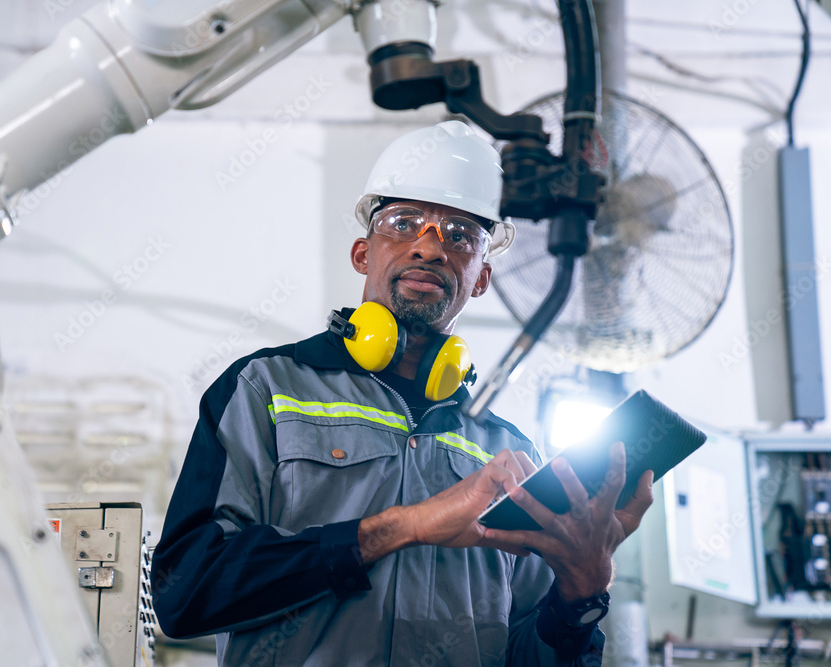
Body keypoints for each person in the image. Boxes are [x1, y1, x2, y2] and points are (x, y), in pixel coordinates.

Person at [151, 120, 654, 666]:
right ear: (362, 253)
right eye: (405, 222)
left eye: (461, 235)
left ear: (480, 277)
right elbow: (185, 591)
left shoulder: (511, 457)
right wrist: (401, 527)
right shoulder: (265, 391)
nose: (430, 248)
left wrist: (580, 596)